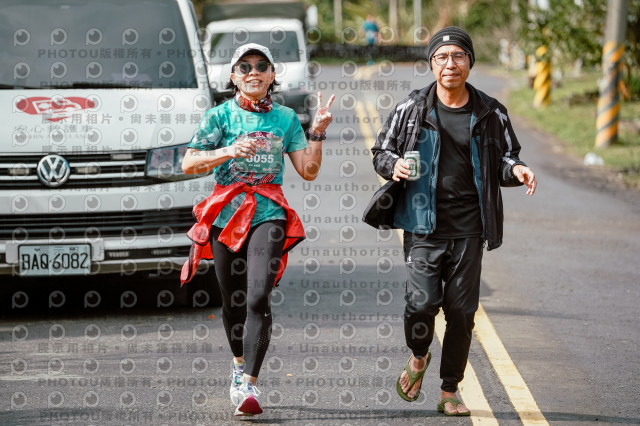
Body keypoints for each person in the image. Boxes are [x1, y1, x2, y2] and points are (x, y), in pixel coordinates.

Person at [363, 26, 537, 416]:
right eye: (441, 57)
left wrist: (518, 170)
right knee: (421, 303)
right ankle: (419, 354)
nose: (450, 64)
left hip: (470, 228)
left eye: (458, 56)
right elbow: (382, 151)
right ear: (431, 64)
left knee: (461, 311)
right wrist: (395, 165)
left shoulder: (491, 111)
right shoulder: (412, 108)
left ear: (469, 63)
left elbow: (507, 158)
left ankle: (449, 390)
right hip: (422, 224)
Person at [181, 43, 334, 417]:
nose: (253, 72)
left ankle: (249, 384)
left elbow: (308, 171)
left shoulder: (285, 118)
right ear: (233, 76)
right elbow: (189, 163)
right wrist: (228, 151)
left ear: (272, 75)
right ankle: (238, 366)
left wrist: (316, 133)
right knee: (233, 301)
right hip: (226, 217)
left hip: (269, 214)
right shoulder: (219, 117)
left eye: (261, 66)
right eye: (245, 66)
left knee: (258, 297)